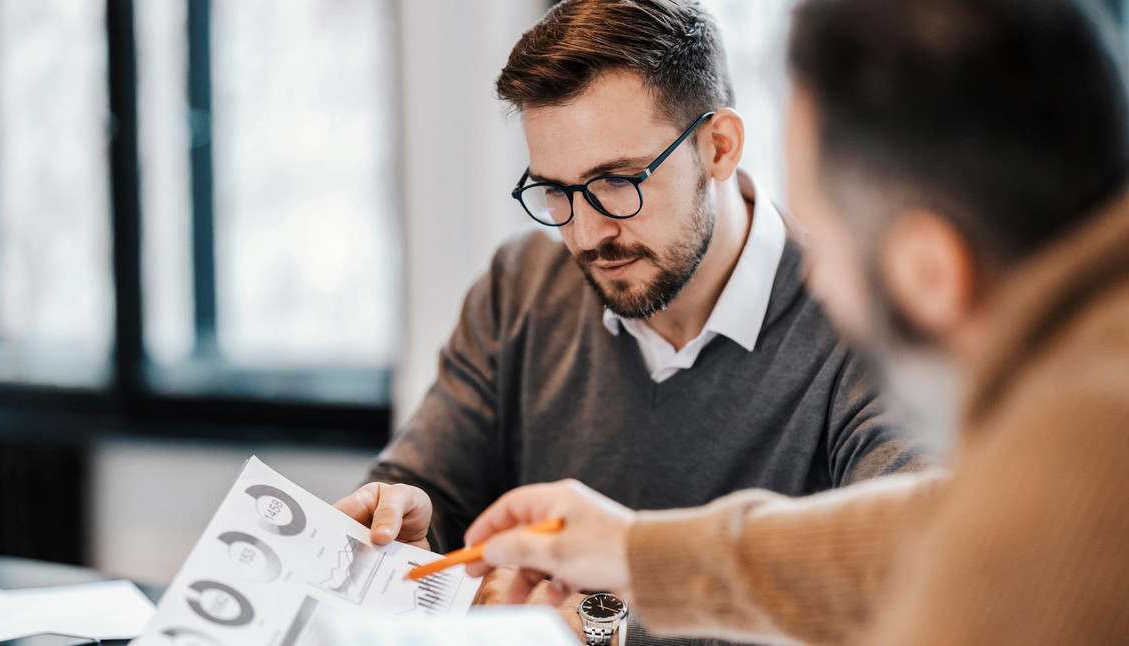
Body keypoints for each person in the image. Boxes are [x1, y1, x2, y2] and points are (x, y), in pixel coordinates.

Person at [463, 0, 1129, 643]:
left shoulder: (1081, 451)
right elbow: (925, 531)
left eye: (829, 243)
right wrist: (637, 556)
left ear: (931, 271)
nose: (813, 279)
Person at [332, 0, 930, 642]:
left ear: (719, 147)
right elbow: (429, 490)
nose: (587, 235)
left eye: (617, 181)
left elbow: (916, 568)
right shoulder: (523, 285)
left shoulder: (863, 319)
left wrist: (611, 621)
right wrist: (409, 521)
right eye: (555, 191)